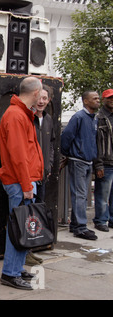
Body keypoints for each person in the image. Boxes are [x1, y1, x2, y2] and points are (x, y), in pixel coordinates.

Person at [0, 77, 44, 290]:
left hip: (23, 182)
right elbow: (18, 156)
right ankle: (10, 273)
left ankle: (15, 269)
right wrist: (27, 186)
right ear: (36, 93)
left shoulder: (21, 114)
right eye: (41, 93)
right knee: (18, 228)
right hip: (20, 183)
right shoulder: (16, 115)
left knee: (22, 228)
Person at [61, 90, 100, 240]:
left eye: (98, 98)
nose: (98, 100)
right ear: (85, 101)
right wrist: (69, 154)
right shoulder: (78, 117)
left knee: (83, 196)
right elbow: (66, 136)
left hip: (88, 161)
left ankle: (76, 224)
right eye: (94, 98)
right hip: (78, 161)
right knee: (80, 194)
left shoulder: (93, 119)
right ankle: (80, 228)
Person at [26, 85, 55, 266]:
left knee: (37, 213)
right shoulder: (28, 118)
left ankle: (32, 248)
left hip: (42, 174)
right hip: (29, 175)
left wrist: (49, 164)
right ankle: (25, 251)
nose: (42, 102)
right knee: (27, 214)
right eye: (40, 98)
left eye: (45, 99)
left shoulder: (49, 119)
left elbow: (51, 144)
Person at [93, 89, 113, 232]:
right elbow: (96, 143)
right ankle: (101, 220)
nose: (112, 100)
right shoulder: (99, 117)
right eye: (109, 98)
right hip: (105, 162)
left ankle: (111, 220)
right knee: (102, 194)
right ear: (103, 100)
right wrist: (98, 164)